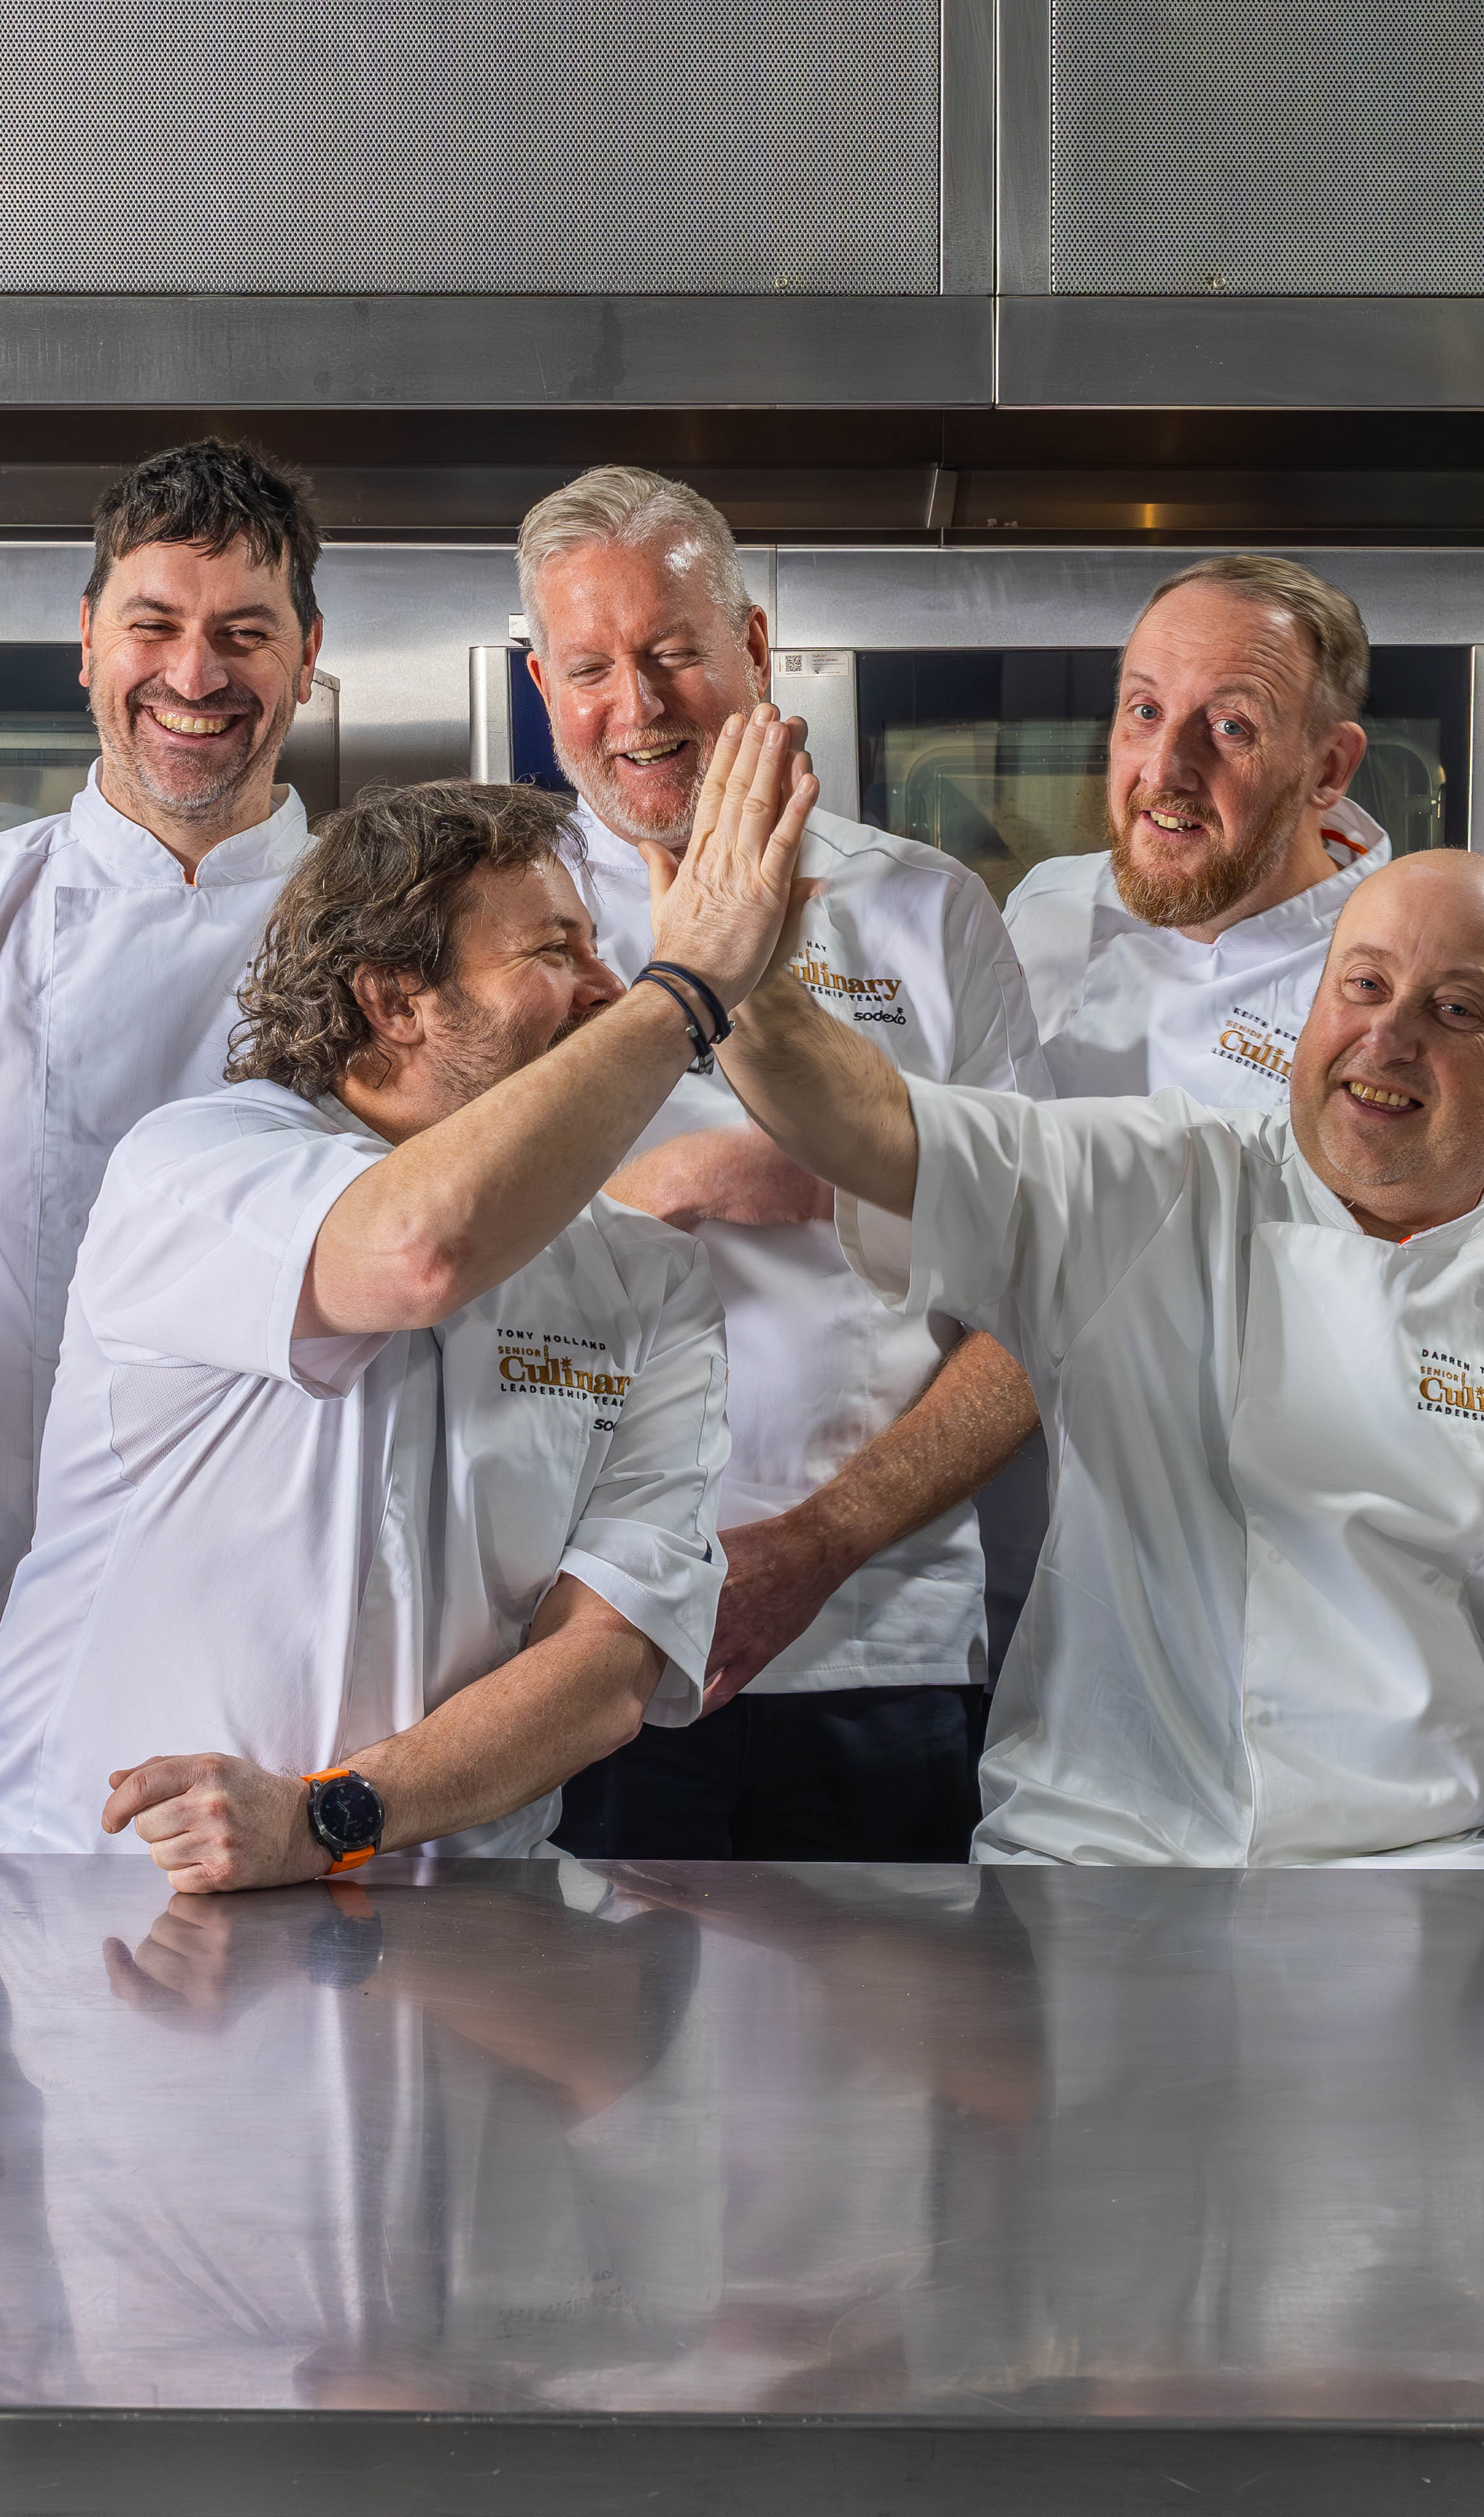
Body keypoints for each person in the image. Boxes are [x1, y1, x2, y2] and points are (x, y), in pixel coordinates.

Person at [713, 833, 1484, 1891]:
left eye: (1455, 1011)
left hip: (1458, 1899)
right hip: (1103, 1883)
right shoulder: (1148, 1186)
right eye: (1362, 987)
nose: (1386, 1040)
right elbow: (866, 1126)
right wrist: (739, 976)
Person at [0, 755, 817, 1883]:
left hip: (433, 1927)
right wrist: (684, 990)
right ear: (394, 997)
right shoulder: (198, 1164)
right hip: (95, 1894)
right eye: (556, 950)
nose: (606, 985)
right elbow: (415, 1254)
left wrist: (330, 1818)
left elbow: (605, 1667)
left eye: (605, 948)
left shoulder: (649, 1278)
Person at [510, 466, 1045, 1861]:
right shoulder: (491, 922)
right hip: (552, 1642)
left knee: (871, 2074)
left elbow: (1040, 1312)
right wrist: (657, 1187)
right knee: (568, 2063)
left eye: (675, 651)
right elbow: (403, 1242)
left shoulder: (928, 913)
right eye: (590, 667)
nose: (637, 707)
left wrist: (816, 1545)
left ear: (754, 647)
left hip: (879, 1639)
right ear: (541, 682)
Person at [0, 439, 330, 1849]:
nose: (194, 675)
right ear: (87, 643)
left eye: (243, 633)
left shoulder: (390, 930)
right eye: (153, 625)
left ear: (306, 656)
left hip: (312, 1684)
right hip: (7, 1672)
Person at [1006, 555, 1389, 1109]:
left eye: (1231, 726)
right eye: (1145, 710)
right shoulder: (1047, 900)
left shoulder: (1401, 975)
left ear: (1329, 768)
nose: (1162, 769)